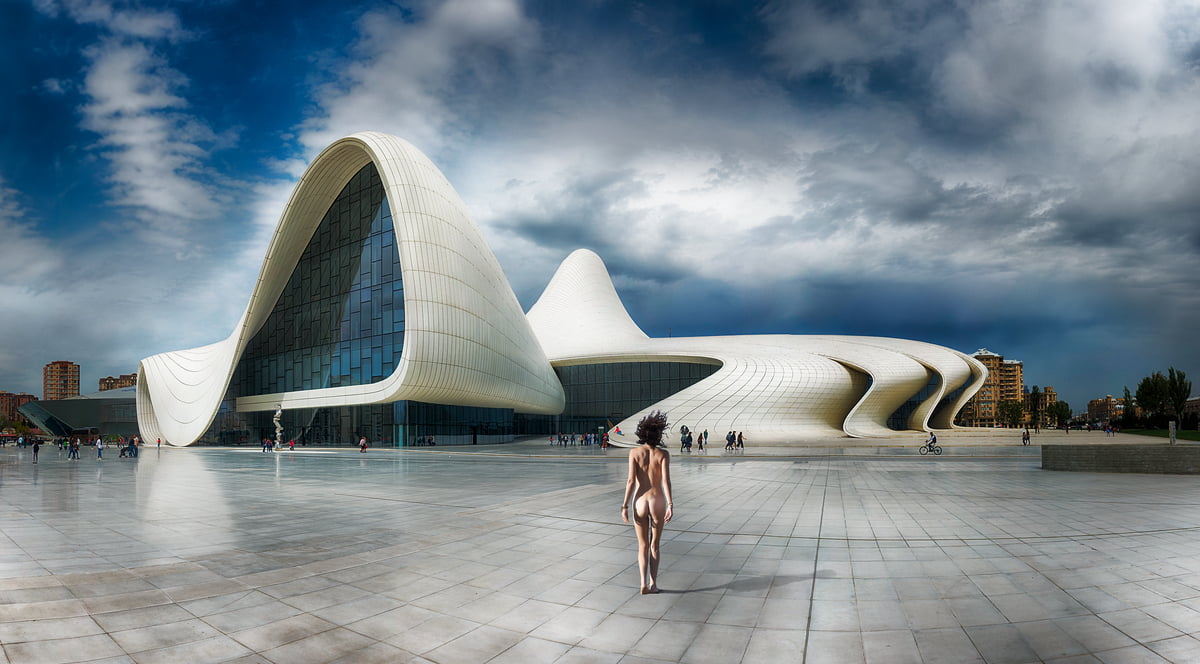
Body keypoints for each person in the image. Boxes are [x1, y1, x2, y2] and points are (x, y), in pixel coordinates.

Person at [620, 411, 673, 595]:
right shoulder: (663, 454)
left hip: (640, 501)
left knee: (642, 545)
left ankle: (642, 583)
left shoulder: (634, 453)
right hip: (657, 500)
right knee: (654, 546)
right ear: (659, 433)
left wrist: (624, 506)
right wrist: (671, 504)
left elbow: (631, 482)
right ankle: (653, 583)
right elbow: (666, 481)